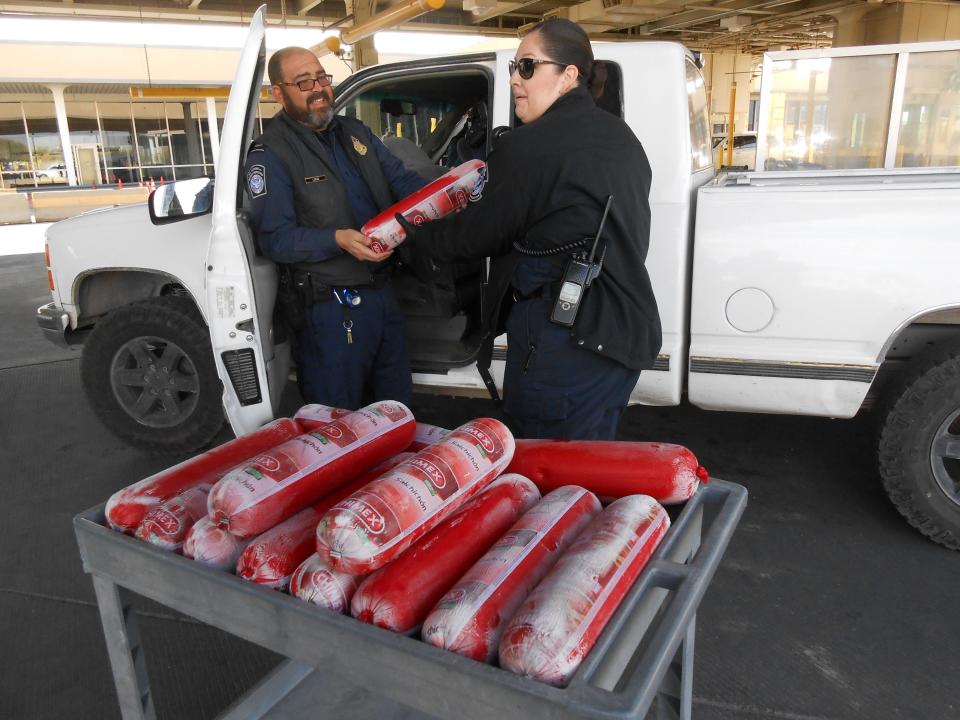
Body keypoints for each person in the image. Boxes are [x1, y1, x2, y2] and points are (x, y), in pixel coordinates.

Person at [402, 19, 661, 440]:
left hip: (564, 340)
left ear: (569, 75)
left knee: (547, 468)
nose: (513, 80)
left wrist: (408, 239)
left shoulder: (532, 145)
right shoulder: (622, 138)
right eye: (513, 68)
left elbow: (477, 235)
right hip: (618, 333)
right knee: (588, 462)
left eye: (527, 67)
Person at [245, 46, 429, 410]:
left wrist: (439, 196)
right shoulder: (271, 153)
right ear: (278, 93)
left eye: (322, 78)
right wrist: (337, 239)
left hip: (382, 295)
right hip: (330, 309)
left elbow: (400, 181)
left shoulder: (355, 132)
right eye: (303, 82)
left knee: (396, 412)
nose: (318, 88)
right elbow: (275, 239)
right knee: (339, 422)